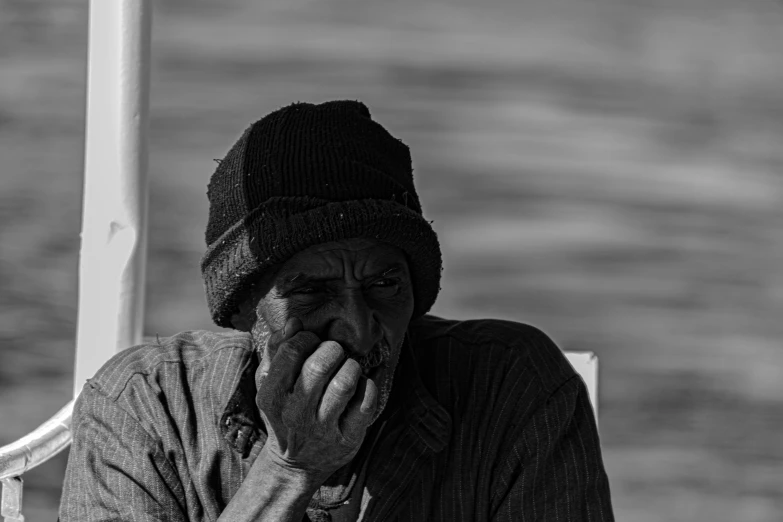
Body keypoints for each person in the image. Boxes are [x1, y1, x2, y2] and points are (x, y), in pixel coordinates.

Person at [59, 100, 614, 521]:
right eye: (312, 291)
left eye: (383, 284)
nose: (357, 325)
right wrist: (287, 470)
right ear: (246, 309)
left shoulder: (514, 388)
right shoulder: (144, 405)